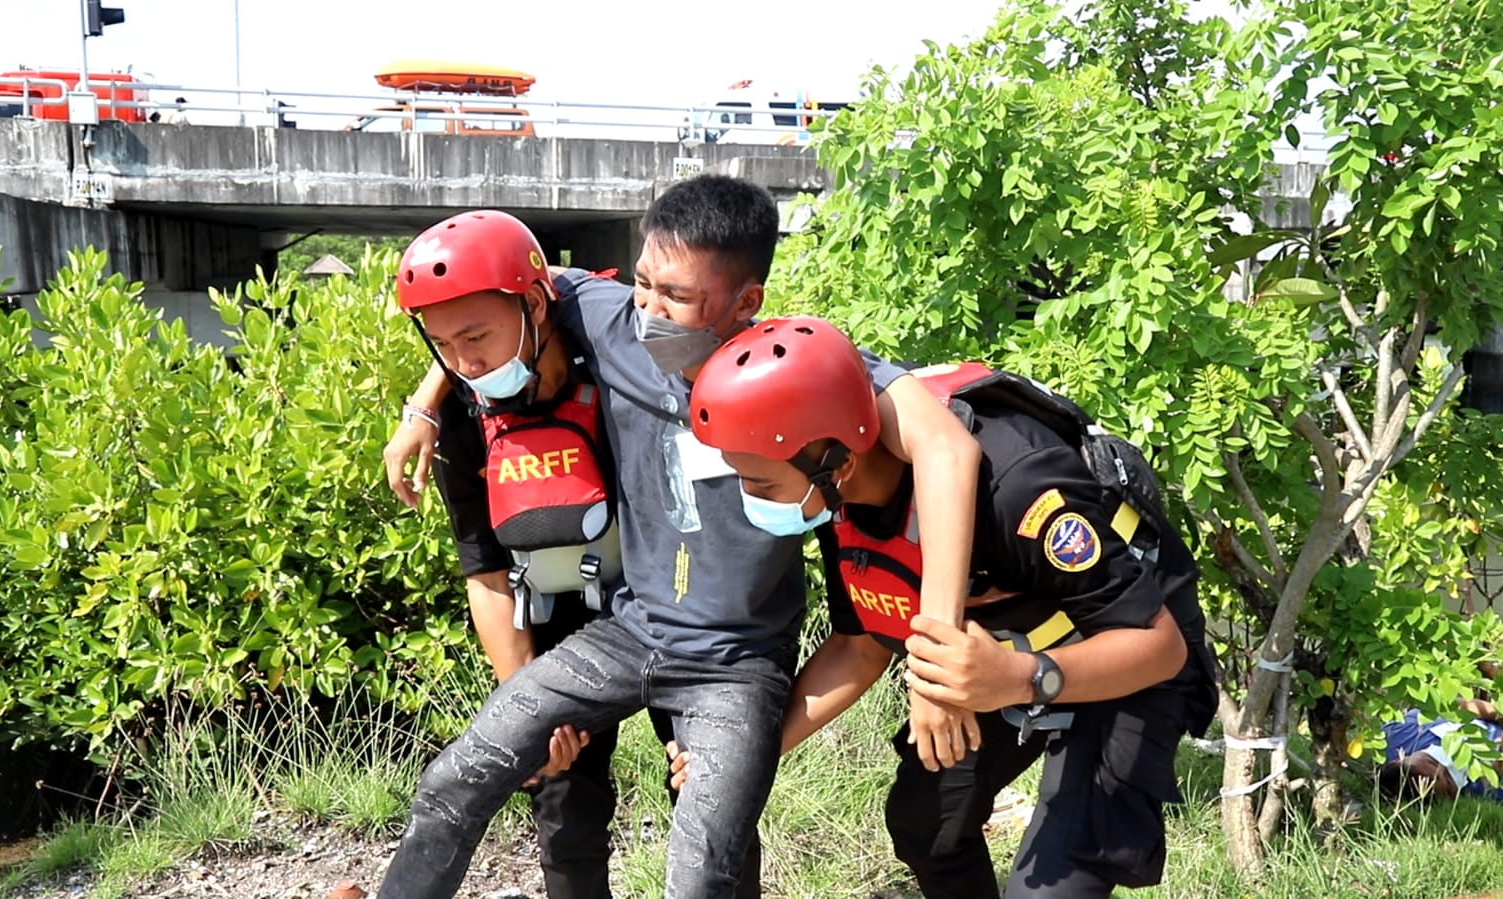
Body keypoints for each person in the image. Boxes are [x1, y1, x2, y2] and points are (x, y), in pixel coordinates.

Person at [375, 175, 983, 899]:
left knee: (701, 869)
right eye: (641, 282)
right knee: (453, 779)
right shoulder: (612, 319)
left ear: (745, 302)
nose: (649, 309)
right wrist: (425, 403)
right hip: (627, 632)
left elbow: (948, 450)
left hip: (736, 666)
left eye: (676, 296)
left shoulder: (799, 369)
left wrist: (940, 659)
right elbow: (500, 293)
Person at [679, 316, 1220, 898]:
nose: (748, 499)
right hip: (998, 651)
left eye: (760, 485)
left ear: (840, 462)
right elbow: (861, 646)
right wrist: (747, 755)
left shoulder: (1018, 490)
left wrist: (1017, 679)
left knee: (1056, 879)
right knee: (926, 824)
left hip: (1127, 644)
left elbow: (1160, 646)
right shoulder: (840, 501)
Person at [385, 208, 720, 898]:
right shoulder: (463, 412)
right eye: (445, 348)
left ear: (533, 306)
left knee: (707, 790)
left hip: (666, 602)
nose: (465, 362)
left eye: (476, 336)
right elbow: (485, 572)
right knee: (563, 804)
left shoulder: (615, 356)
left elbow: (574, 284)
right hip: (558, 619)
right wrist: (523, 702)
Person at [1379, 663, 1503, 804]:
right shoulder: (1491, 795)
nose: (1446, 766)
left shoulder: (1399, 735)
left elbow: (1449, 707)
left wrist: (1498, 712)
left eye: (1432, 761)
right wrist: (1489, 669)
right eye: (1449, 782)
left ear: (1398, 759)